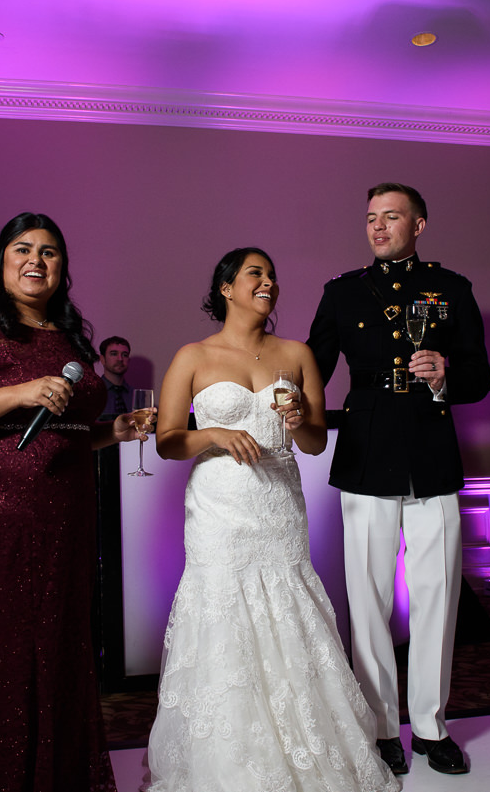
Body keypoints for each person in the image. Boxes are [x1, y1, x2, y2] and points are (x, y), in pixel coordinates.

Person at [144, 248, 398, 792]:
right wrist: (212, 434)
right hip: (219, 507)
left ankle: (308, 748)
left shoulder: (297, 353)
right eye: (255, 274)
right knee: (223, 614)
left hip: (279, 502)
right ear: (225, 289)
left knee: (289, 607)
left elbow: (309, 443)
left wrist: (303, 416)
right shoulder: (193, 356)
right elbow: (168, 442)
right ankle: (228, 760)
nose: (269, 282)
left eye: (272, 275)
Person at [0, 212, 150, 792]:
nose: (36, 261)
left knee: (58, 648)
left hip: (62, 514)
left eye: (49, 252)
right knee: (0, 654)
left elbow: (61, 430)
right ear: (1, 259)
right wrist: (18, 391)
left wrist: (112, 431)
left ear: (62, 268)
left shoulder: (66, 336)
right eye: (23, 249)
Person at [307, 183, 490, 776]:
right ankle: (382, 724)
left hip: (433, 456)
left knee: (438, 594)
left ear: (419, 224)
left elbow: (480, 376)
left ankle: (433, 727)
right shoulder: (341, 292)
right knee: (368, 599)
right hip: (364, 457)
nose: (378, 227)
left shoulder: (453, 288)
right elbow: (312, 366)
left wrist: (445, 375)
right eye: (370, 218)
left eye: (391, 217)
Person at [97, 336, 134, 421]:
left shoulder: (135, 395)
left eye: (125, 355)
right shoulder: (93, 393)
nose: (120, 359)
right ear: (102, 359)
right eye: (114, 354)